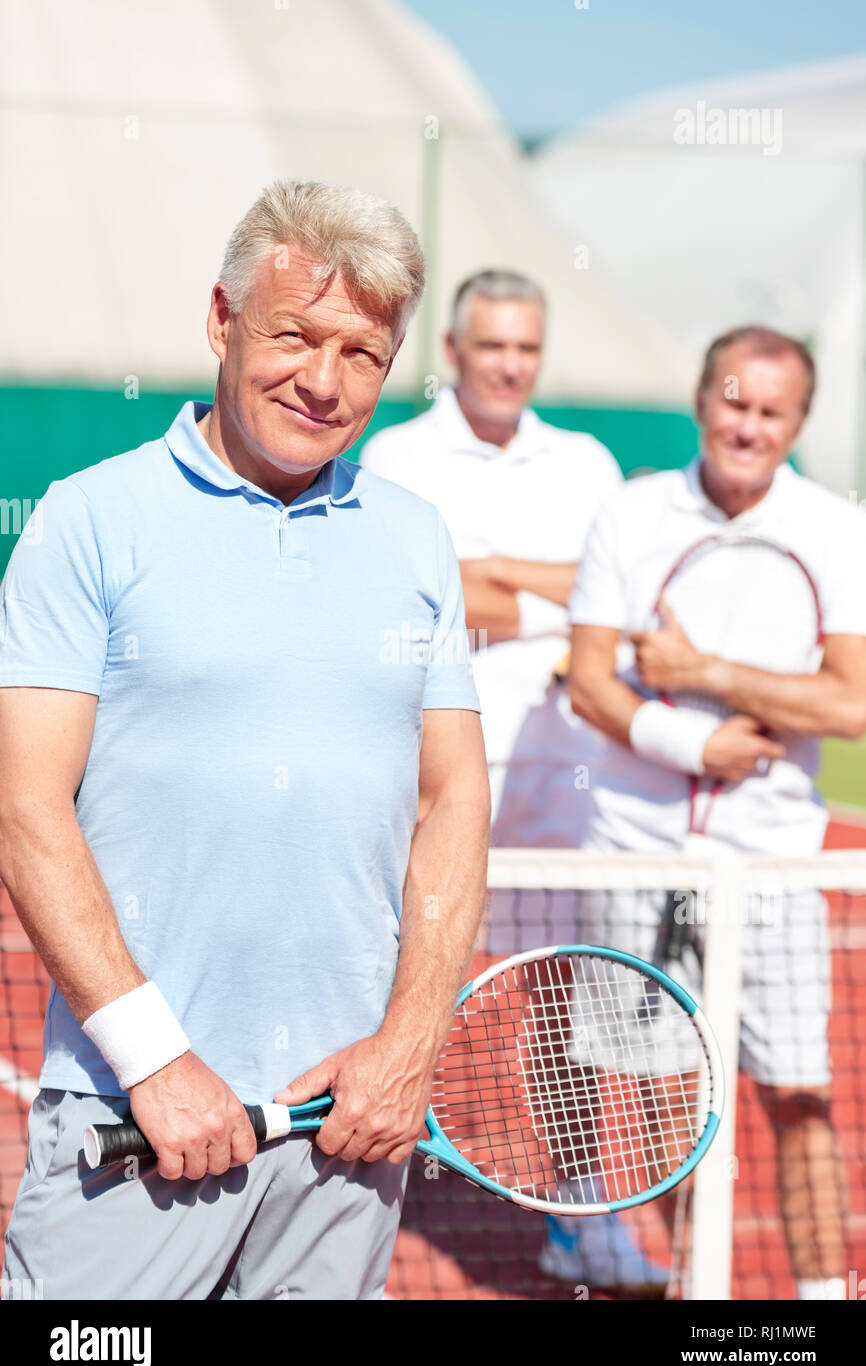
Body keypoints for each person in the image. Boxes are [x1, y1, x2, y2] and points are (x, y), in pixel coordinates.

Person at [0, 179, 490, 1300]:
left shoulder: (415, 538)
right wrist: (154, 1063)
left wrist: (407, 1041)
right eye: (293, 336)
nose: (323, 381)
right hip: (136, 1115)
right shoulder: (88, 519)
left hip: (349, 1123)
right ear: (221, 321)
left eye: (361, 353)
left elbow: (449, 799)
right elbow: (25, 809)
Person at [559, 325, 866, 1300]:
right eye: (733, 403)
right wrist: (691, 741)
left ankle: (820, 1307)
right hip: (635, 856)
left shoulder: (831, 528)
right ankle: (698, 1293)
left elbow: (852, 704)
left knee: (798, 1096)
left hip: (773, 867)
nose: (747, 426)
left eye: (771, 413)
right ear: (701, 402)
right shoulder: (629, 513)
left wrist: (704, 676)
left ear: (796, 424)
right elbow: (587, 680)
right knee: (666, 1102)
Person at [361, 269, 621, 849]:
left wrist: (491, 569)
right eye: (492, 346)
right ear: (452, 349)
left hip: (572, 769)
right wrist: (566, 610)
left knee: (562, 944)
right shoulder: (396, 456)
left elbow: (620, 597)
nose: (511, 366)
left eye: (527, 348)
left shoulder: (587, 463)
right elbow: (419, 610)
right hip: (436, 766)